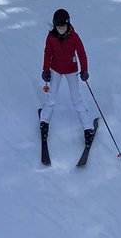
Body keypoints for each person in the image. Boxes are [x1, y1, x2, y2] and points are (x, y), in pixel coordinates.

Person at [39, 8, 96, 147]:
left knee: (76, 99)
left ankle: (88, 128)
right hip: (56, 69)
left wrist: (84, 70)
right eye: (58, 27)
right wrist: (45, 69)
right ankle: (44, 122)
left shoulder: (74, 37)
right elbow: (47, 53)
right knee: (52, 97)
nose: (61, 30)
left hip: (71, 70)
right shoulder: (51, 37)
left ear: (68, 24)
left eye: (63, 27)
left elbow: (82, 53)